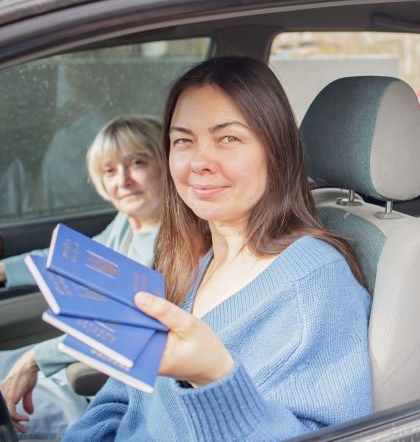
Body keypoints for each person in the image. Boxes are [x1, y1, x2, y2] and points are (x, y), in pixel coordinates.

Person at [64, 56, 372, 441]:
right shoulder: (190, 262)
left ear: (274, 150)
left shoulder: (317, 285)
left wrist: (213, 377)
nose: (199, 162)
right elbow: (121, 399)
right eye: (183, 141)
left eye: (228, 138)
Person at [0, 115, 164, 439]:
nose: (123, 180)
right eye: (110, 170)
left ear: (165, 163)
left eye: (137, 163)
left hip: (99, 383)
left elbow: (127, 332)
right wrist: (6, 269)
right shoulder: (127, 223)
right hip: (73, 357)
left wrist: (35, 358)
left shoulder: (171, 240)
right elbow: (65, 260)